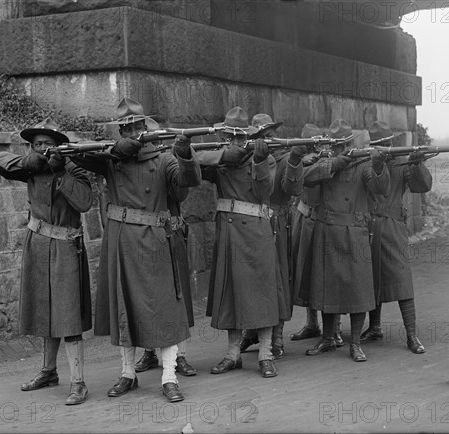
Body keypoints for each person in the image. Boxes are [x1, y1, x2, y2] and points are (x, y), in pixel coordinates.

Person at [70, 97, 201, 402]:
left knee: (163, 307)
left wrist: (184, 154)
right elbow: (78, 155)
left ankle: (169, 376)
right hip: (120, 242)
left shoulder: (164, 159)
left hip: (154, 241)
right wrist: (116, 151)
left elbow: (187, 181)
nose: (131, 131)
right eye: (125, 128)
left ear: (145, 125)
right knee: (123, 306)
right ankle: (128, 373)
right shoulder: (112, 159)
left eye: (136, 126)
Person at [0, 118, 93, 405]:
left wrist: (61, 171)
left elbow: (84, 202)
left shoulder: (73, 167)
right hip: (38, 244)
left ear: (59, 146)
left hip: (66, 247)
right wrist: (32, 160)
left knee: (67, 316)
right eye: (37, 145)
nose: (43, 149)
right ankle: (48, 372)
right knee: (44, 311)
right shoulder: (31, 167)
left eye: (48, 144)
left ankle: (79, 382)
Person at [297, 119, 390, 362]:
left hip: (356, 230)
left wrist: (380, 166)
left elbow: (379, 188)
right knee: (327, 288)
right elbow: (304, 177)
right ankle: (328, 338)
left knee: (358, 290)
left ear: (349, 143)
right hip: (327, 230)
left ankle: (356, 343)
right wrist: (335, 163)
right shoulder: (325, 162)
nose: (339, 150)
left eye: (342, 146)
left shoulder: (364, 163)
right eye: (335, 146)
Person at [197, 106, 279, 378]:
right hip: (229, 233)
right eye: (229, 136)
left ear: (247, 136)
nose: (234, 141)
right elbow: (195, 161)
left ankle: (266, 354)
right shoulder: (222, 157)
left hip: (256, 231)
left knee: (261, 293)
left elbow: (264, 191)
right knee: (231, 293)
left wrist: (256, 161)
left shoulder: (263, 157)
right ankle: (233, 354)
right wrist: (225, 155)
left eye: (238, 137)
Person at [238, 113, 318, 359]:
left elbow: (292, 188)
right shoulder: (244, 159)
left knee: (279, 279)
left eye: (271, 134)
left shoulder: (286, 157)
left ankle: (276, 336)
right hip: (251, 226)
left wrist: (295, 160)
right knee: (252, 279)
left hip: (277, 224)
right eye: (262, 135)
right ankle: (251, 332)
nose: (268, 139)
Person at [132, 118, 197, 377]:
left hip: (170, 233)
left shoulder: (167, 161)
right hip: (144, 236)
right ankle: (149, 351)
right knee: (146, 297)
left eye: (155, 138)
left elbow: (181, 194)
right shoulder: (132, 162)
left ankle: (179, 355)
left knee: (175, 298)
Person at [361, 120, 432, 354]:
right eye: (382, 144)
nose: (388, 146)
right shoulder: (366, 162)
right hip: (369, 225)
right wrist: (377, 163)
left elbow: (422, 186)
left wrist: (418, 162)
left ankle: (411, 335)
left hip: (393, 227)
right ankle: (374, 327)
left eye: (389, 142)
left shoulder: (403, 162)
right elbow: (375, 186)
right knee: (371, 278)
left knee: (402, 279)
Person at [289, 124, 345, 348]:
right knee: (305, 274)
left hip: (324, 221)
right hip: (304, 218)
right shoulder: (300, 161)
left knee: (329, 275)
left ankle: (336, 328)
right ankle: (312, 323)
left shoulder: (329, 159)